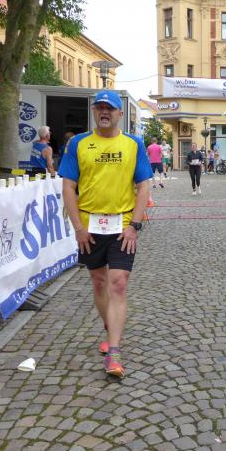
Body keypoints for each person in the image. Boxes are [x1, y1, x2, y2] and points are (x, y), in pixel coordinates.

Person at [58, 90, 152, 379]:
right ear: (94, 112)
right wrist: (78, 228)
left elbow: (144, 186)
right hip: (90, 226)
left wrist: (134, 226)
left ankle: (114, 351)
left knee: (118, 283)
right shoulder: (78, 144)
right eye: (99, 108)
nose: (104, 112)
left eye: (109, 108)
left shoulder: (134, 144)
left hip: (122, 225)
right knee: (99, 282)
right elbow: (68, 188)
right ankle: (110, 327)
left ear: (120, 113)